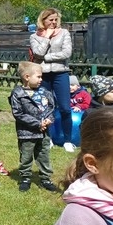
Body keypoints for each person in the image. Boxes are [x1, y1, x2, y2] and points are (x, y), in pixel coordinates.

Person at [8, 61, 58, 192]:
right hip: (27, 132)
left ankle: (45, 178)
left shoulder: (45, 92)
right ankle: (25, 177)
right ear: (26, 77)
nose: (41, 79)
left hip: (44, 132)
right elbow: (18, 113)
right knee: (26, 155)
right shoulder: (18, 93)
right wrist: (37, 123)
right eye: (39, 76)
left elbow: (52, 107)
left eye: (41, 76)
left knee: (44, 154)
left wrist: (48, 120)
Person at [29, 8, 74, 152]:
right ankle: (48, 138)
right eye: (50, 20)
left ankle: (67, 140)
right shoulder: (35, 36)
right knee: (46, 108)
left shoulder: (64, 33)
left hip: (61, 73)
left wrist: (47, 58)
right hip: (43, 75)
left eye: (56, 19)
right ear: (43, 20)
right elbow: (38, 52)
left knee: (65, 108)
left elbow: (67, 53)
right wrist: (47, 37)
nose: (54, 22)